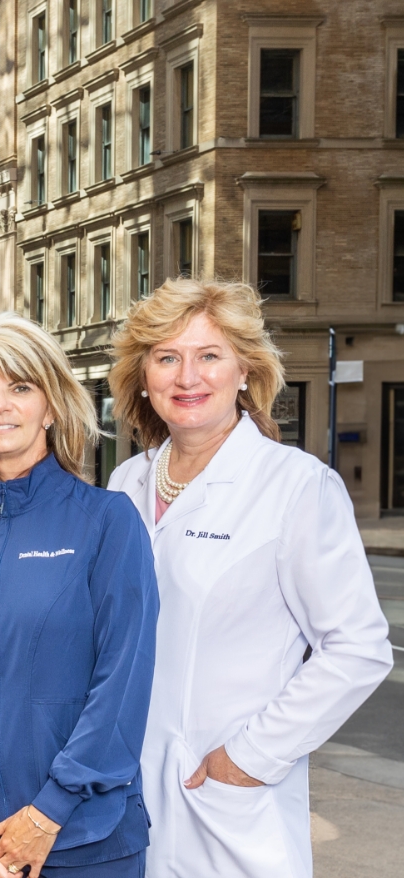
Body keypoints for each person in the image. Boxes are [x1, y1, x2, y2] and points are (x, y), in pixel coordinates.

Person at [106, 279, 391, 878]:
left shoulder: (295, 486)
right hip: (125, 797)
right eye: (167, 357)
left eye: (209, 356)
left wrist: (249, 757)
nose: (188, 377)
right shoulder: (125, 485)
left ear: (244, 371)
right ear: (143, 376)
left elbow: (359, 649)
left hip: (227, 799)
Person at [0, 312, 158, 878]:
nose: (0, 406)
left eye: (20, 388)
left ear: (51, 404)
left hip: (85, 839)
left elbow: (124, 684)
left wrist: (49, 813)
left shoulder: (108, 522)